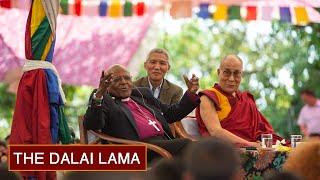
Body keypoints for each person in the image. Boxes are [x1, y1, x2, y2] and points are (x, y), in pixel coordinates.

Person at [84, 64, 200, 159]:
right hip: (135, 149)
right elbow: (93, 124)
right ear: (107, 84)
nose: (124, 82)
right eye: (117, 79)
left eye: (127, 78)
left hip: (163, 142)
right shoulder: (104, 98)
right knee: (187, 145)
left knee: (202, 148)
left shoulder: (141, 94)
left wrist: (190, 93)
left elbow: (170, 114)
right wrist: (100, 94)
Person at [196, 55, 283, 147]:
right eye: (227, 73)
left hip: (254, 150)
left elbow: (262, 131)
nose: (231, 79)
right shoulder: (208, 97)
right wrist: (250, 145)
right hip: (223, 151)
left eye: (236, 74)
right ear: (219, 72)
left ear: (241, 75)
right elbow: (216, 131)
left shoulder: (246, 100)